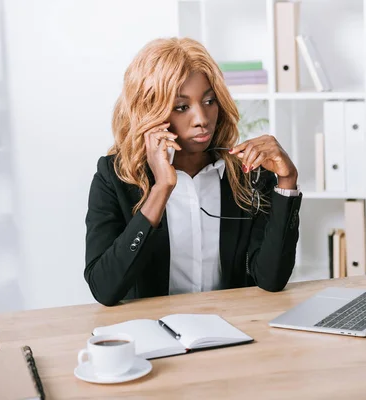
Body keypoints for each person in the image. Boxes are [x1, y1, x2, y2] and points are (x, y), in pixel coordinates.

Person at [84, 37, 302, 306]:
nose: (202, 119)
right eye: (181, 107)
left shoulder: (248, 174)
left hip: (232, 329)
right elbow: (105, 289)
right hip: (153, 333)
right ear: (149, 110)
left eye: (209, 101)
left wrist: (287, 182)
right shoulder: (114, 177)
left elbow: (270, 279)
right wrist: (161, 188)